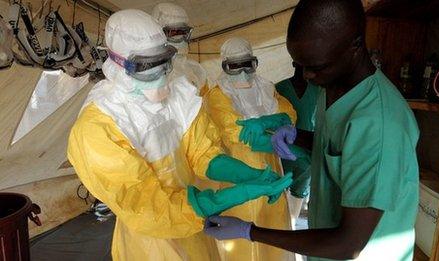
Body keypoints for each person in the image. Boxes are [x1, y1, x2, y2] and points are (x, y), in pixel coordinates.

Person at [67, 10, 292, 261]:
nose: (163, 76)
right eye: (148, 68)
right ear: (120, 64)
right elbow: (147, 206)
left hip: (193, 226)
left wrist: (252, 176)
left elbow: (203, 153)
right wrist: (227, 197)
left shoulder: (178, 93)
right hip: (149, 239)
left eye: (164, 63)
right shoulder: (99, 126)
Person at [204, 1, 420, 260]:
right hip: (324, 243)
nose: (306, 75)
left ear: (355, 46)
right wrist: (298, 135)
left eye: (316, 66)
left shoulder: (381, 125)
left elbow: (348, 244)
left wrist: (250, 231)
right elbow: (342, 146)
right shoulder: (333, 85)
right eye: (299, 64)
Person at [204, 36, 297, 261]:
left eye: (248, 64)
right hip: (236, 173)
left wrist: (276, 122)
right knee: (239, 239)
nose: (243, 72)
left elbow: (289, 114)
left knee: (272, 230)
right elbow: (235, 132)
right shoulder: (217, 95)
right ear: (224, 66)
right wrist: (275, 131)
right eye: (234, 66)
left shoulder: (266, 88)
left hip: (272, 167)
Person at [274, 62, 321, 201]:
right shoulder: (278, 89)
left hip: (307, 153)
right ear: (294, 63)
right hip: (282, 151)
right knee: (279, 194)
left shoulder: (318, 91)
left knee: (298, 197)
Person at [152, 3, 209, 96]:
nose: (181, 38)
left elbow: (204, 103)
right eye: (174, 32)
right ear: (158, 33)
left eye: (183, 32)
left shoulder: (196, 70)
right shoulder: (148, 74)